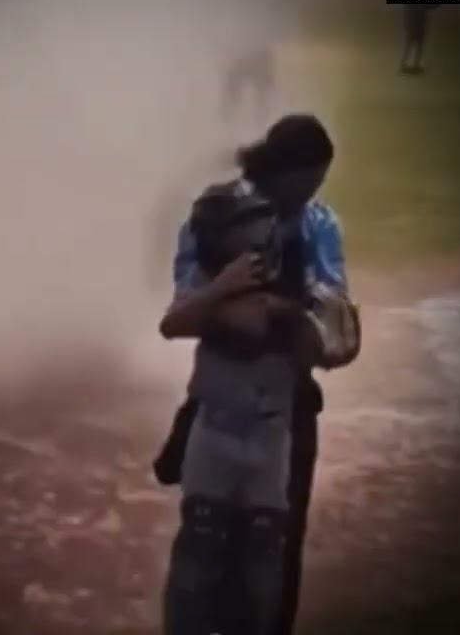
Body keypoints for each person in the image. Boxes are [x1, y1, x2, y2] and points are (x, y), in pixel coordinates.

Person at [156, 113, 355, 635]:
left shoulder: (319, 223)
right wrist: (259, 309)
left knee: (270, 556)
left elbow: (332, 335)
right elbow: (185, 316)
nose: (312, 191)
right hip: (224, 406)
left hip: (285, 410)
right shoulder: (220, 213)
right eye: (308, 177)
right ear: (284, 169)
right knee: (206, 552)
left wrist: (261, 311)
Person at [399, 0, 438, 75]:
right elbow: (423, 6)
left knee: (412, 43)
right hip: (416, 21)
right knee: (416, 43)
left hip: (413, 20)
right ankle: (412, 64)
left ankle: (407, 64)